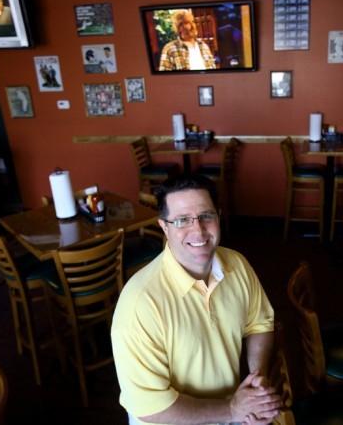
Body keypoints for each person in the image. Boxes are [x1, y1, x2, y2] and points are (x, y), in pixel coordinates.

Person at [111, 175, 281, 425]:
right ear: (164, 227)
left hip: (231, 410)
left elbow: (259, 323)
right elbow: (151, 408)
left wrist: (257, 381)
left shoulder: (237, 264)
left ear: (218, 217)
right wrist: (233, 410)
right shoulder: (139, 303)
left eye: (206, 216)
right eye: (182, 220)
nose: (198, 230)